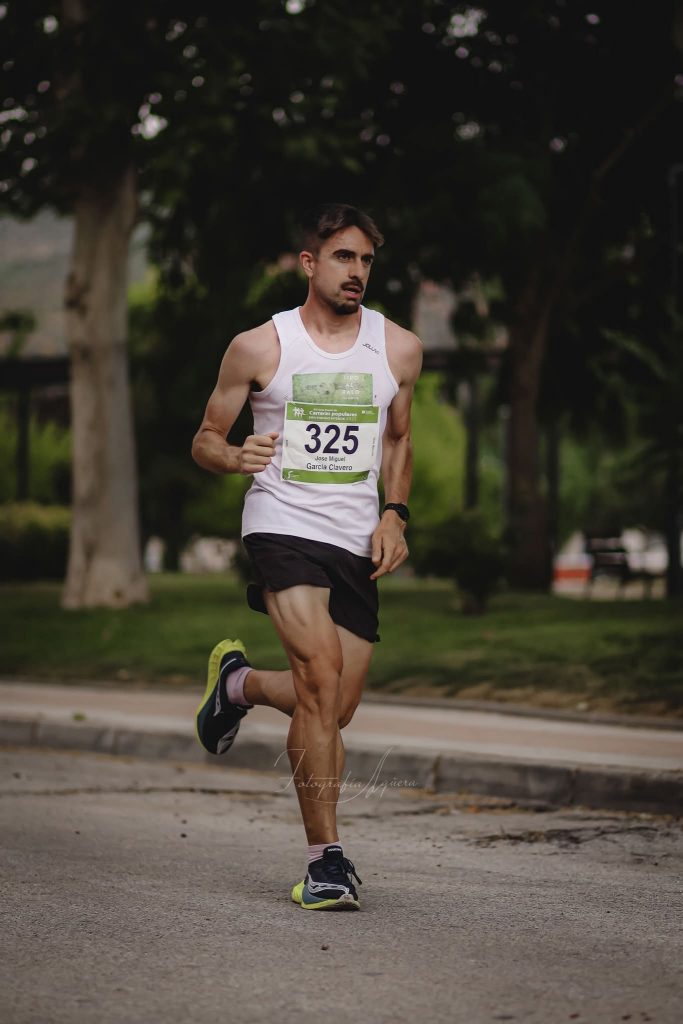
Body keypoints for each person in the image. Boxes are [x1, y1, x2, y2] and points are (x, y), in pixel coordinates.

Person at [191, 202, 422, 911]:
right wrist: (234, 456)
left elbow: (397, 439)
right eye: (344, 258)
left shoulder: (399, 349)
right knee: (320, 680)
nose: (357, 273)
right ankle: (326, 861)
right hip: (280, 526)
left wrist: (394, 513)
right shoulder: (260, 347)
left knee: (336, 705)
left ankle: (238, 686)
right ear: (310, 263)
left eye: (366, 261)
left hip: (355, 539)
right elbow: (205, 436)